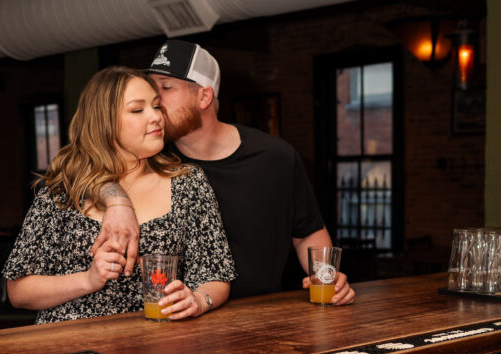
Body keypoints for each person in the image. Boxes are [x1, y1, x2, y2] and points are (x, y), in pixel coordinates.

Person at [91, 40, 354, 304]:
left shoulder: (275, 156)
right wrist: (118, 201)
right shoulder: (153, 156)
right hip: (181, 317)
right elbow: (88, 168)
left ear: (204, 96)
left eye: (166, 87)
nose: (155, 99)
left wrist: (327, 277)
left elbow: (307, 232)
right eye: (150, 89)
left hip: (262, 315)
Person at [3, 66, 236, 323]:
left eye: (156, 106)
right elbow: (18, 291)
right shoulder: (62, 190)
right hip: (71, 348)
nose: (156, 117)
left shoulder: (188, 183)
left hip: (158, 345)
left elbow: (216, 274)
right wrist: (88, 279)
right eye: (137, 110)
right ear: (104, 121)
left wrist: (198, 299)